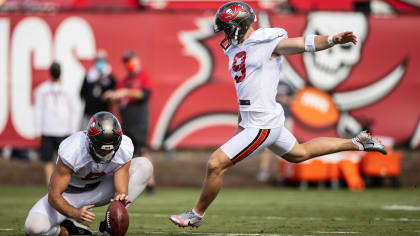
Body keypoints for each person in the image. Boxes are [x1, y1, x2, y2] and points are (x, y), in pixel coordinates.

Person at [169, 1, 386, 228]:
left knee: (215, 164)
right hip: (254, 119)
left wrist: (332, 40)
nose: (225, 33)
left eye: (227, 28)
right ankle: (357, 143)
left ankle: (196, 214)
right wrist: (240, 125)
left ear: (238, 26)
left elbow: (302, 43)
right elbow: (246, 92)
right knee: (299, 153)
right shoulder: (236, 49)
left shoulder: (266, 43)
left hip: (263, 123)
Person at [24, 112, 153, 236]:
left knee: (144, 166)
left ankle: (108, 229)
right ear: (90, 141)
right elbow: (54, 195)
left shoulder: (123, 147)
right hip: (69, 196)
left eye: (110, 149)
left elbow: (120, 189)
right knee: (33, 227)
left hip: (101, 189)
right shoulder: (73, 149)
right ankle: (65, 229)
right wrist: (74, 213)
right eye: (100, 149)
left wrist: (120, 202)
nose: (105, 154)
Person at [103, 50, 156, 193]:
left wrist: (125, 92)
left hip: (139, 120)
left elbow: (144, 94)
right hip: (126, 121)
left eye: (130, 60)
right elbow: (116, 97)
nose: (128, 64)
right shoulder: (124, 80)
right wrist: (112, 96)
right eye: (126, 61)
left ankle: (150, 184)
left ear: (137, 59)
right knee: (125, 152)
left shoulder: (143, 76)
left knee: (143, 151)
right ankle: (127, 181)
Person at [34, 62, 79, 185]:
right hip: (47, 129)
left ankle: (65, 185)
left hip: (64, 131)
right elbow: (38, 110)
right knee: (47, 160)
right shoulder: (42, 89)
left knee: (66, 161)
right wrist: (38, 130)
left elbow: (74, 110)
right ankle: (50, 185)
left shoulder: (69, 88)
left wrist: (73, 130)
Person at [256, 80, 295, 182]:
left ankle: (284, 173)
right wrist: (277, 99)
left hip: (286, 117)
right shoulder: (269, 82)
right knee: (267, 147)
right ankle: (263, 171)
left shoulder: (287, 84)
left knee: (288, 146)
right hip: (271, 118)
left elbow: (293, 99)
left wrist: (286, 99)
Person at [80, 49, 116, 130]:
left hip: (104, 115)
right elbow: (82, 93)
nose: (100, 62)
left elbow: (114, 96)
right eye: (98, 60)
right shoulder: (89, 76)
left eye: (102, 60)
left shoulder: (110, 78)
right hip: (89, 113)